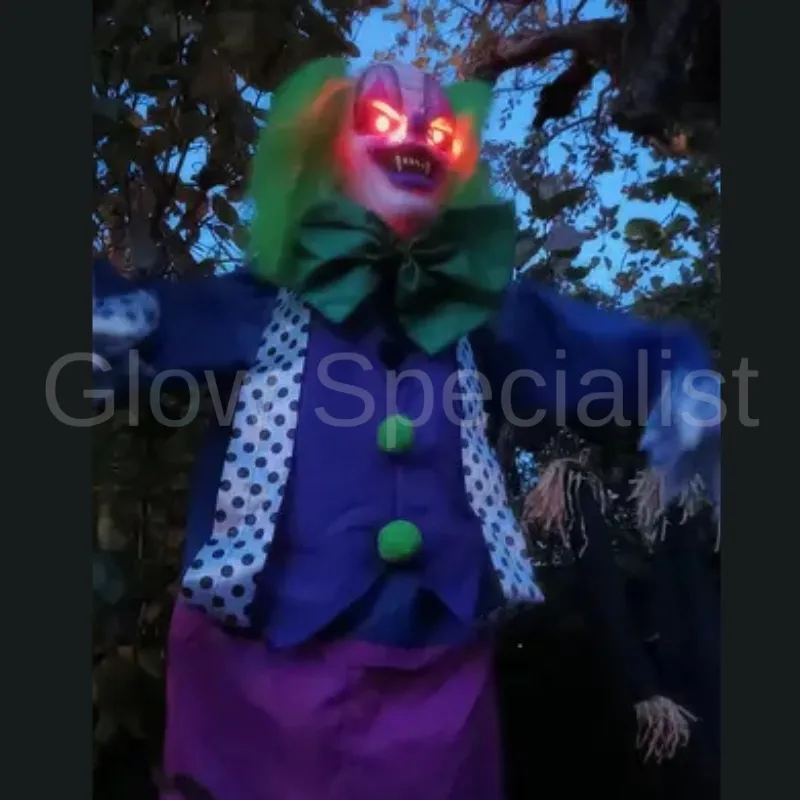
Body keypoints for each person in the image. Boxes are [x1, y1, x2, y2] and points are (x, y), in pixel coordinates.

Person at [92, 58, 719, 800]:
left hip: (437, 680)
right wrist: (112, 325)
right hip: (263, 677)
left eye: (439, 130)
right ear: (323, 149)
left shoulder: (481, 314)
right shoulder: (260, 306)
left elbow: (603, 347)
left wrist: (683, 378)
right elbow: (143, 328)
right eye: (383, 120)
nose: (414, 137)